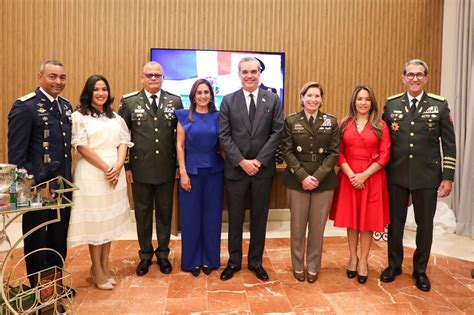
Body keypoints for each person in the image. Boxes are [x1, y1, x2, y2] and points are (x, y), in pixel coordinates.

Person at [380, 59, 456, 292]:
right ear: (403, 78)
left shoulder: (439, 106)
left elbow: (449, 144)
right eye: (410, 74)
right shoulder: (391, 105)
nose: (414, 78)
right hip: (396, 174)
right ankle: (394, 265)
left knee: (425, 225)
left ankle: (420, 270)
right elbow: (383, 140)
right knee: (395, 223)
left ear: (426, 78)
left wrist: (448, 176)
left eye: (419, 74)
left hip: (427, 176)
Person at [7, 60, 73, 290]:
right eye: (52, 76)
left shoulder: (65, 106)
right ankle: (39, 291)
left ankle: (55, 287)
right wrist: (29, 188)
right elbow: (16, 157)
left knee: (58, 238)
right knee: (38, 241)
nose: (58, 81)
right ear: (40, 77)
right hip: (38, 189)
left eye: (62, 77)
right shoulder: (25, 107)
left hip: (62, 186)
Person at [219, 57, 283, 281]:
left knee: (259, 219)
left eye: (253, 71)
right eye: (245, 72)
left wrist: (258, 161)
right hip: (236, 171)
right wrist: (242, 161)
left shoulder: (273, 99)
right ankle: (234, 262)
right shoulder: (228, 100)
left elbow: (277, 133)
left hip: (262, 171)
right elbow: (224, 135)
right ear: (238, 74)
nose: (249, 75)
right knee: (234, 219)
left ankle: (256, 262)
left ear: (259, 74)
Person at [67, 75, 132, 290]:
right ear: (89, 92)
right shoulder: (79, 117)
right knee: (96, 223)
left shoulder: (115, 117)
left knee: (108, 221)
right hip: (93, 175)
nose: (101, 93)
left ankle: (104, 265)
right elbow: (81, 147)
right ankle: (97, 269)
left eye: (104, 89)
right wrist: (106, 168)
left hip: (115, 173)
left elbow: (124, 141)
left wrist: (119, 165)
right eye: (96, 89)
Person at [119, 61, 183, 276]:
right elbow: (122, 137)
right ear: (142, 77)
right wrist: (127, 166)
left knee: (165, 213)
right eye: (149, 75)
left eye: (157, 75)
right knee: (143, 214)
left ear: (163, 77)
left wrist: (177, 166)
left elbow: (180, 138)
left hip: (166, 168)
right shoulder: (129, 103)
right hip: (140, 169)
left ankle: (163, 254)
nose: (153, 78)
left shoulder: (175, 101)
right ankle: (145, 255)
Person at [330, 85, 390, 284]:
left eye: (367, 99)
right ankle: (352, 258)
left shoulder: (381, 125)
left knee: (367, 222)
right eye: (359, 99)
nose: (363, 103)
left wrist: (363, 175)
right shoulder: (343, 123)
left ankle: (363, 260)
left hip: (371, 178)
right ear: (353, 102)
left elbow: (385, 155)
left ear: (372, 102)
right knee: (352, 220)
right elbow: (337, 152)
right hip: (348, 178)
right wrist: (350, 174)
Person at [282, 81, 339, 283]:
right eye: (309, 95)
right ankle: (298, 265)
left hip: (323, 182)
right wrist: (303, 176)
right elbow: (287, 151)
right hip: (298, 180)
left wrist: (318, 176)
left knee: (317, 229)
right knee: (297, 228)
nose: (313, 99)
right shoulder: (291, 121)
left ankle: (313, 266)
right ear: (302, 98)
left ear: (321, 100)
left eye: (317, 96)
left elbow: (334, 153)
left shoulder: (331, 121)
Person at [175, 79, 224, 277]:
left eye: (206, 92)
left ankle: (211, 259)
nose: (203, 96)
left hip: (215, 174)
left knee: (212, 218)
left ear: (211, 95)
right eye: (199, 92)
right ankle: (192, 261)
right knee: (190, 218)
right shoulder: (183, 116)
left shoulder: (219, 117)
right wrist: (183, 172)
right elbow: (179, 146)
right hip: (191, 174)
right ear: (193, 96)